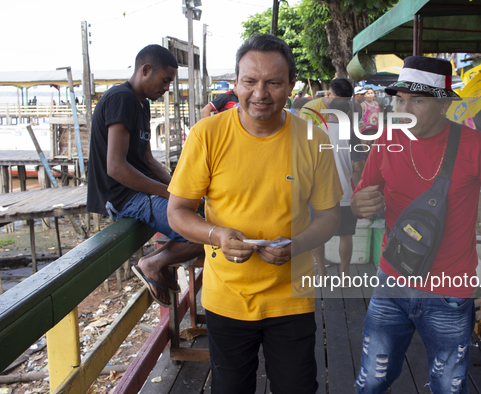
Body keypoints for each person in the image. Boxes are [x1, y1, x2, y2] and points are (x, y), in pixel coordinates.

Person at [166, 34, 342, 394]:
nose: (259, 93)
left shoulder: (313, 140)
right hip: (226, 297)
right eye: (250, 81)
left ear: (291, 85)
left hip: (292, 297)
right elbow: (178, 212)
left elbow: (330, 217)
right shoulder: (207, 135)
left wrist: (297, 244)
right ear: (236, 83)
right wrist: (217, 235)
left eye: (273, 82)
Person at [351, 56, 481, 394]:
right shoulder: (386, 141)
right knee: (371, 381)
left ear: (442, 105)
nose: (404, 108)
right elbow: (365, 194)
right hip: (392, 280)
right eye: (400, 99)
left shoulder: (475, 146)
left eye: (417, 100)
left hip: (450, 290)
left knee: (449, 388)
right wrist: (360, 204)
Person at [86, 44, 204, 307]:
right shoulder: (122, 98)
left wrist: (181, 188)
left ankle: (157, 263)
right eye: (165, 80)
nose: (166, 88)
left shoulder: (141, 105)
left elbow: (148, 160)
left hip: (140, 192)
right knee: (204, 231)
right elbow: (115, 167)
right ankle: (152, 263)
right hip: (123, 196)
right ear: (145, 69)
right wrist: (166, 192)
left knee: (207, 214)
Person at [315, 98, 365, 280]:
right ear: (348, 114)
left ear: (328, 111)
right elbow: (358, 166)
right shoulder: (350, 133)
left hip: (318, 196)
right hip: (344, 194)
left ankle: (321, 273)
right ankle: (344, 276)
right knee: (345, 236)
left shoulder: (315, 130)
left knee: (317, 235)